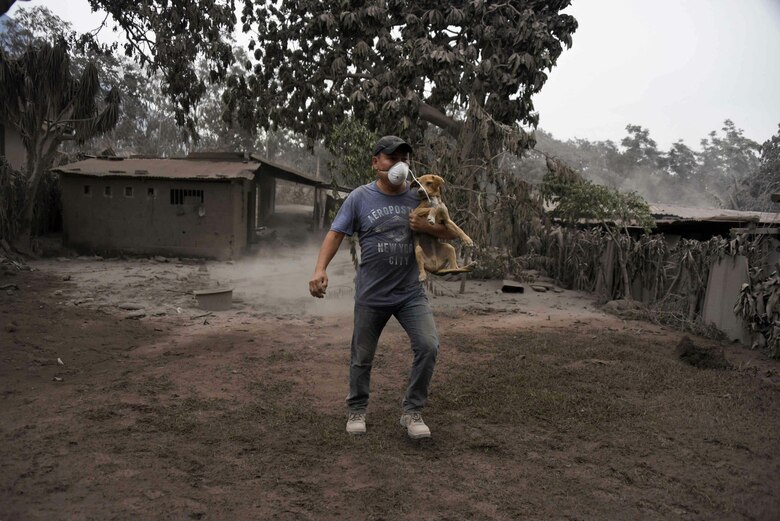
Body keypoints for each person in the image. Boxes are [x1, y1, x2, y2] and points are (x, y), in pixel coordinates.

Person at [309, 135, 457, 439]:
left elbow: (449, 231)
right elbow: (336, 234)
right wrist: (320, 269)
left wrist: (426, 227)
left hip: (409, 292)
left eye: (404, 158)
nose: (399, 164)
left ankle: (412, 412)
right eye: (392, 158)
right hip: (372, 293)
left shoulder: (421, 197)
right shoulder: (359, 198)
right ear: (376, 162)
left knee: (428, 345)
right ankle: (357, 409)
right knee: (362, 356)